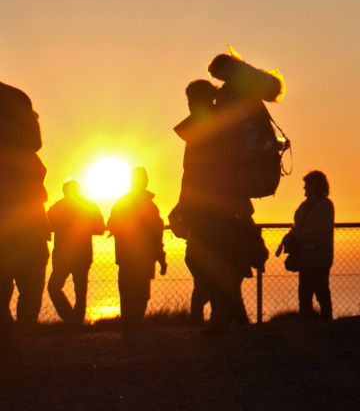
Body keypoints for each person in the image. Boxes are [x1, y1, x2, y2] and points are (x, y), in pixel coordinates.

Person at [173, 78, 263, 330]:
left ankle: (223, 314)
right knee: (207, 260)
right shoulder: (213, 123)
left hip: (214, 207)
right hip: (211, 207)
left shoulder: (213, 125)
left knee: (205, 260)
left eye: (191, 99)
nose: (189, 105)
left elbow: (201, 171)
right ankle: (226, 311)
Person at [0, 79, 50, 368]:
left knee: (27, 286)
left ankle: (13, 346)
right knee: (29, 286)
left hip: (23, 216)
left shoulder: (14, 99)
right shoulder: (16, 98)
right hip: (27, 217)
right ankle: (14, 345)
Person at [107, 168, 166, 328]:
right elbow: (157, 234)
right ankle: (135, 325)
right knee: (138, 294)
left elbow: (111, 224)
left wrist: (160, 256)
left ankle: (130, 326)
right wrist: (161, 257)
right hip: (142, 258)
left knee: (130, 293)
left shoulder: (121, 203)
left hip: (129, 257)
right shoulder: (149, 206)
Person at [277, 171, 334, 321]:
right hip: (305, 257)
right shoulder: (305, 205)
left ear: (315, 186)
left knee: (321, 292)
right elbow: (298, 226)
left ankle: (326, 322)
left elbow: (320, 230)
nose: (304, 188)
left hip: (319, 258)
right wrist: (289, 237)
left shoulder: (325, 205)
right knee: (304, 293)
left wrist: (299, 236)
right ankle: (307, 323)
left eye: (307, 185)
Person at [46, 180, 105, 326]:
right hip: (80, 255)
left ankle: (71, 319)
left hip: (64, 255)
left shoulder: (57, 207)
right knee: (80, 290)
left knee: (54, 287)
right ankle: (75, 320)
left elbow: (47, 226)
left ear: (65, 191)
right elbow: (101, 229)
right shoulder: (89, 207)